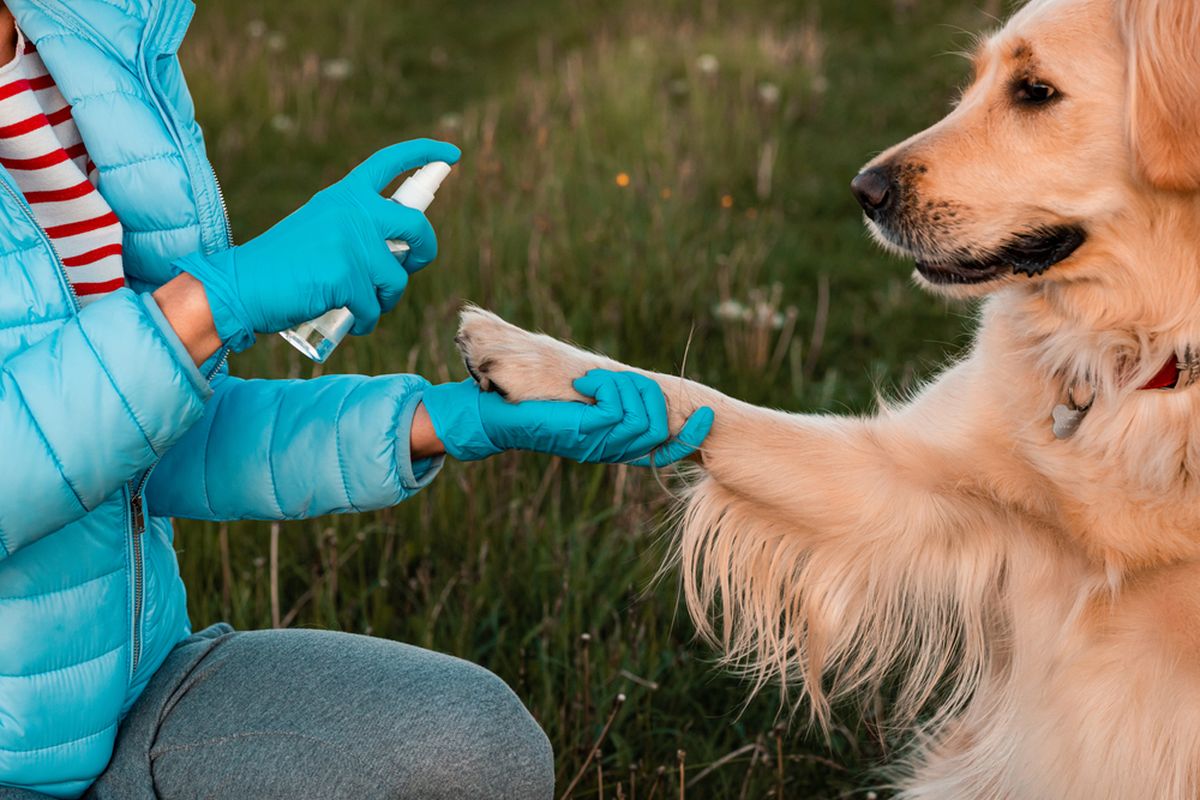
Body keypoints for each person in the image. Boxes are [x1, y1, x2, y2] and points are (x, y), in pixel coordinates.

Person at [0, 2, 713, 799]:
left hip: (135, 706)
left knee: (469, 747)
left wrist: (440, 422)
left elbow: (150, 443)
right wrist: (212, 304)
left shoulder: (88, 52)